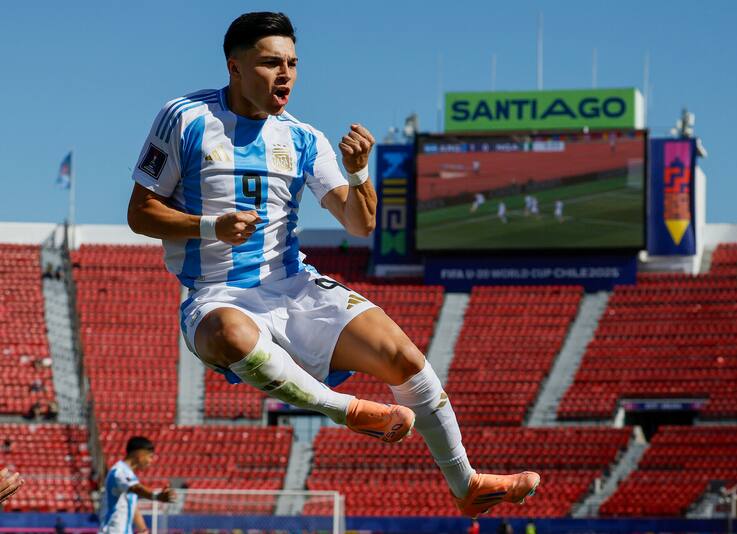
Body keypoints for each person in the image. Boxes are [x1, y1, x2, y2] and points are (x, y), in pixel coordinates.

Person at [126, 12, 539, 518]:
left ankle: (466, 484)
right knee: (231, 335)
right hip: (216, 293)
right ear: (235, 67)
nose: (285, 75)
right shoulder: (185, 118)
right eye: (270, 63)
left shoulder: (303, 137)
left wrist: (359, 172)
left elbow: (360, 223)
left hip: (292, 283)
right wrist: (211, 226)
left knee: (403, 357)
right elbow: (139, 213)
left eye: (292, 63)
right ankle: (348, 411)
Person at [99, 437, 176, 534]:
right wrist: (157, 496)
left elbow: (132, 506)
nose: (151, 461)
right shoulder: (120, 471)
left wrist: (143, 530)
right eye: (150, 456)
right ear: (139, 453)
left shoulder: (129, 475)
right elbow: (137, 488)